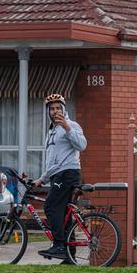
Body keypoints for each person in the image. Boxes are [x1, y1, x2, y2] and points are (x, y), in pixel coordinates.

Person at [33, 94, 87, 260]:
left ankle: (58, 246)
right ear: (48, 111)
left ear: (63, 109)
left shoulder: (71, 125)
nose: (55, 111)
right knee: (64, 214)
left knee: (50, 206)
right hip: (58, 174)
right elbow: (53, 161)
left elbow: (82, 145)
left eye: (58, 108)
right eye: (52, 108)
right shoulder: (51, 131)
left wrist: (67, 127)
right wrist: (43, 178)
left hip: (68, 173)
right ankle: (69, 256)